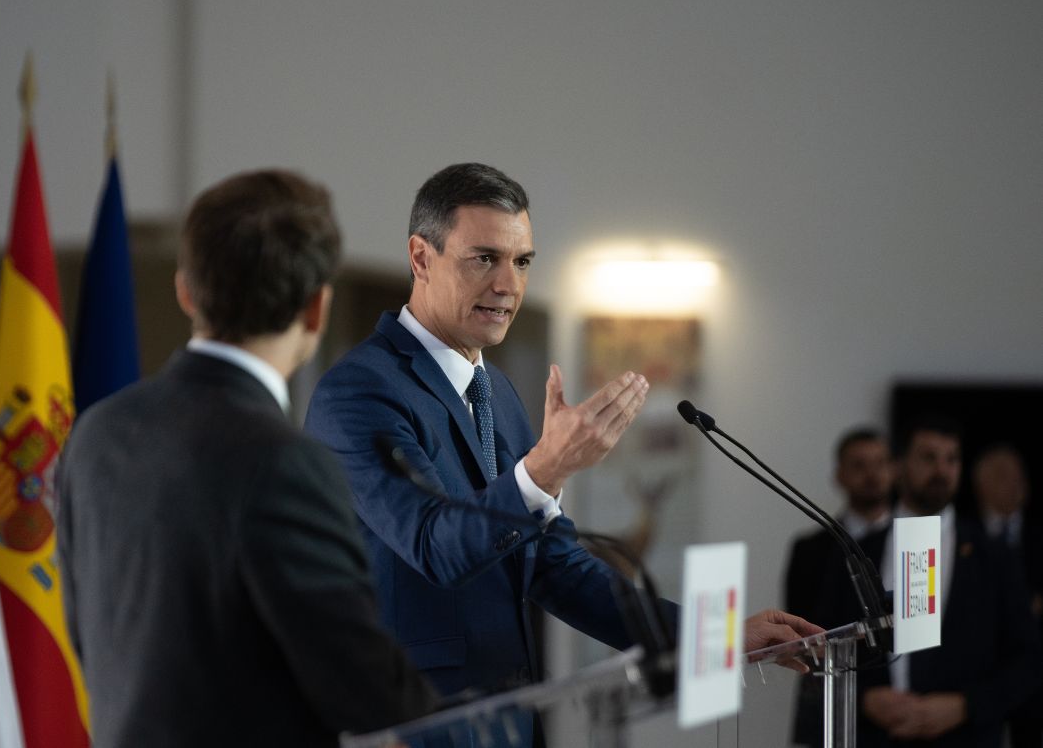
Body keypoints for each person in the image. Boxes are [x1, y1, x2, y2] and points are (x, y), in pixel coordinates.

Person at [304, 162, 820, 716]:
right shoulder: (359, 391)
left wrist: (712, 636)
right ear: (420, 257)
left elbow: (554, 567)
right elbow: (434, 546)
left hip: (510, 717)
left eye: (522, 261)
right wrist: (545, 470)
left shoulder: (494, 390)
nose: (508, 285)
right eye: (484, 259)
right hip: (415, 723)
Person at [55, 169, 437, 747]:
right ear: (317, 309)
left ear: (187, 291)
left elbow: (89, 637)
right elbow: (366, 688)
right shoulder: (285, 463)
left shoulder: (97, 432)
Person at [857, 416, 1040, 747]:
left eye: (951, 459)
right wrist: (864, 698)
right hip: (877, 737)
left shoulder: (993, 555)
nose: (941, 470)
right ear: (899, 466)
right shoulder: (860, 551)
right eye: (928, 457)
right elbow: (824, 638)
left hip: (965, 737)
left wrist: (965, 705)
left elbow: (1028, 659)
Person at [784, 427, 896, 747]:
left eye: (880, 463)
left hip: (905, 719)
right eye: (859, 465)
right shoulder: (810, 550)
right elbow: (800, 639)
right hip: (830, 714)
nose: (872, 474)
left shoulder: (914, 547)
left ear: (894, 470)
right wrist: (863, 698)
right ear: (840, 476)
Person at [971, 443, 1043, 747]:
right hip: (977, 672)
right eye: (1002, 476)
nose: (1015, 484)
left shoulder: (1039, 536)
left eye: (1019, 476)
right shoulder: (961, 536)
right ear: (980, 484)